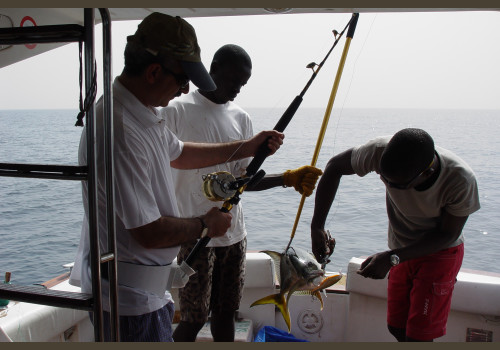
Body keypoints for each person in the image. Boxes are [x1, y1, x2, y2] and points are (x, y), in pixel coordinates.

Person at [68, 12, 284, 342]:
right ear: (154, 71)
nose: (185, 89)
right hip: (130, 306)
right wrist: (204, 224)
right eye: (183, 78)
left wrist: (247, 146)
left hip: (149, 297)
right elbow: (148, 232)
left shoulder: (141, 113)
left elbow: (181, 153)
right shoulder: (121, 130)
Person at [160, 44, 323, 342]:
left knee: (226, 316)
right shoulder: (176, 110)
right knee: (193, 320)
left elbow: (244, 181)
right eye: (233, 80)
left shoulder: (241, 117)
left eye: (243, 84)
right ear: (214, 68)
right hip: (195, 236)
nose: (237, 89)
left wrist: (287, 178)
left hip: (234, 235)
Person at [310, 128, 480, 342]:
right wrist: (317, 227)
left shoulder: (460, 180)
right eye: (384, 179)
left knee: (419, 335)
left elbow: (448, 234)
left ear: (426, 173)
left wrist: (392, 258)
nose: (390, 187)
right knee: (396, 327)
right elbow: (335, 167)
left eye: (398, 184)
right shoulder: (379, 150)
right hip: (399, 246)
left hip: (439, 253)